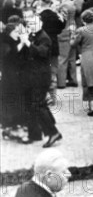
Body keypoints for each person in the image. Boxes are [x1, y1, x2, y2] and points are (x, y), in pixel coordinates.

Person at [18, 10, 63, 147]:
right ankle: (42, 131)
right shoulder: (32, 35)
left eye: (35, 23)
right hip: (32, 77)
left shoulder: (44, 37)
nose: (32, 25)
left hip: (41, 77)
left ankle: (53, 132)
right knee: (37, 104)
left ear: (41, 24)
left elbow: (41, 53)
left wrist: (27, 43)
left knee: (38, 104)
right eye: (30, 23)